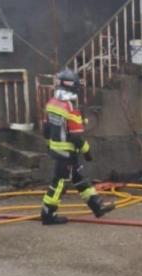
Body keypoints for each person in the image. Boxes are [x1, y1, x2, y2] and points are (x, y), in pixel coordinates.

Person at [39, 69, 113, 225]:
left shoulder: (51, 104)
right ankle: (48, 213)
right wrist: (87, 152)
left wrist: (49, 146)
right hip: (67, 152)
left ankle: (96, 206)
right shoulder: (70, 108)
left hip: (56, 149)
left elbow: (45, 129)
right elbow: (76, 137)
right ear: (73, 87)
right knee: (59, 183)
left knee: (78, 178)